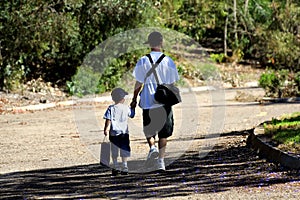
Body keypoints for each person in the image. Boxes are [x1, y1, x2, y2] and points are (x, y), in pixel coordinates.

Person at [130, 31, 180, 171]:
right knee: (164, 132)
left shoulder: (143, 60)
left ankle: (152, 148)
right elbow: (173, 81)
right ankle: (161, 161)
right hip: (164, 101)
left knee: (149, 129)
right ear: (161, 43)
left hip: (147, 100)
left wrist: (134, 99)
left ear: (150, 44)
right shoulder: (168, 60)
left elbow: (138, 83)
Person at [103, 87, 135, 175]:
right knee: (124, 149)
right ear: (123, 99)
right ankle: (125, 166)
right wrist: (133, 107)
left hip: (113, 133)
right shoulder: (126, 108)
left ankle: (116, 165)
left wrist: (105, 129)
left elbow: (108, 119)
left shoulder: (111, 108)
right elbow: (132, 115)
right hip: (124, 133)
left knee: (114, 150)